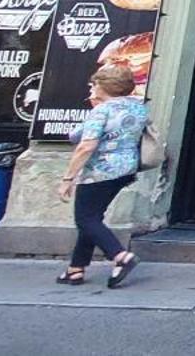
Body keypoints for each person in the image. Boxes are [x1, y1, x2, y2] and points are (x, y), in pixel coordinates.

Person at [56, 64, 148, 288]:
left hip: (101, 170)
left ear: (103, 86)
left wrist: (68, 178)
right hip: (126, 168)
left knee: (85, 219)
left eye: (95, 84)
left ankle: (120, 256)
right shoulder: (138, 108)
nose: (92, 87)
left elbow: (85, 145)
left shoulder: (102, 111)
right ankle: (75, 269)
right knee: (92, 218)